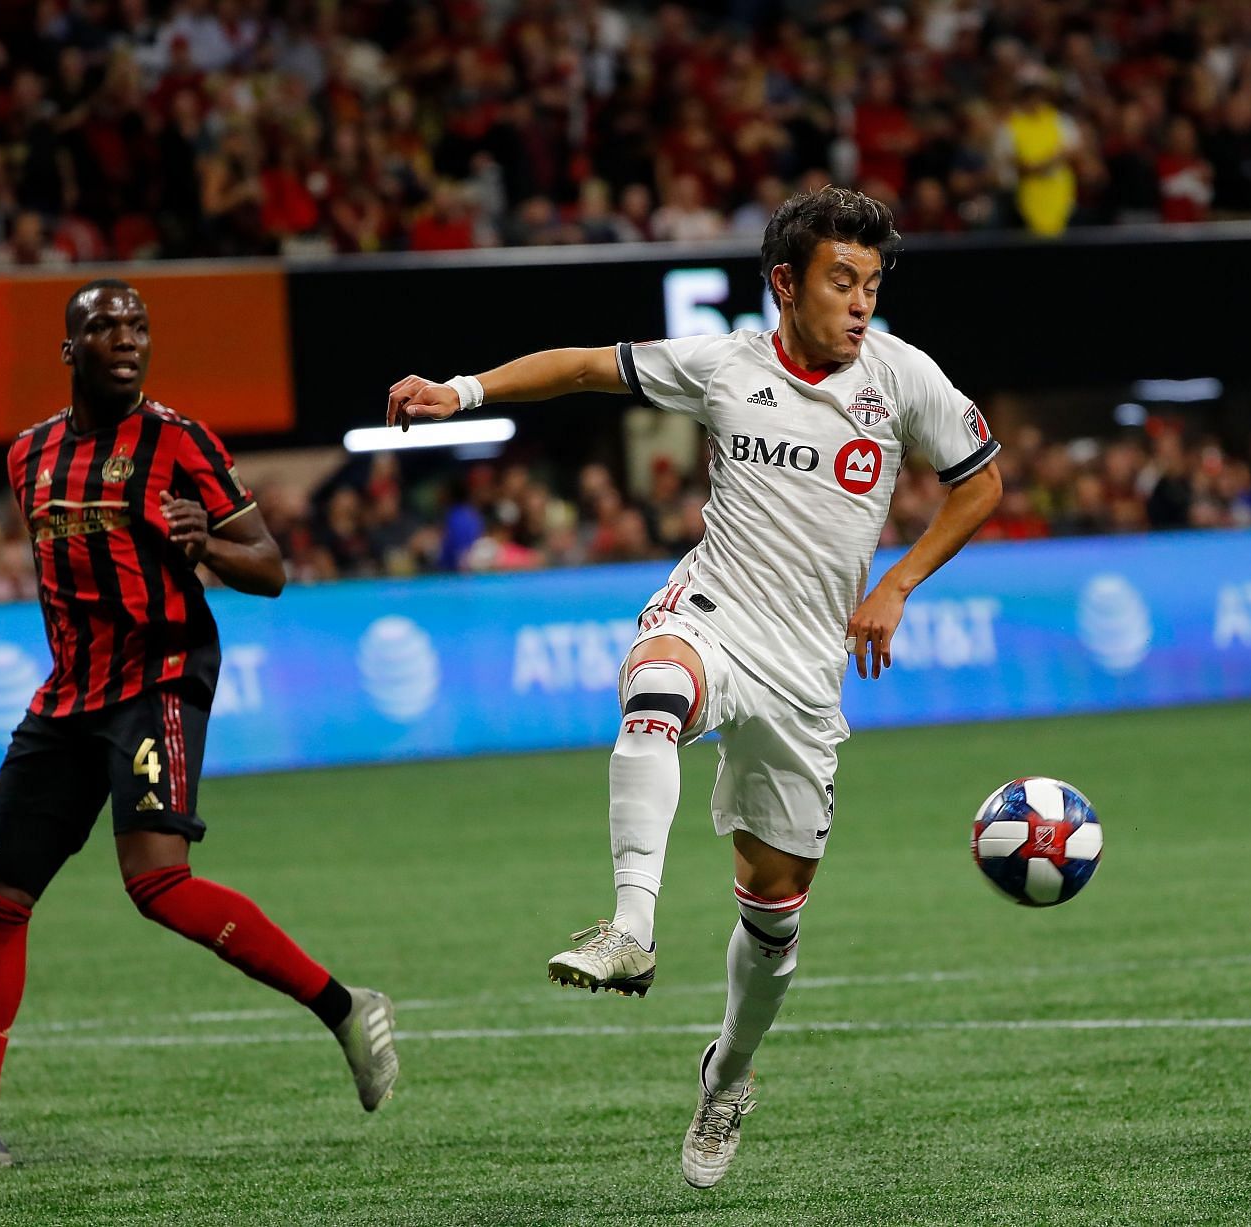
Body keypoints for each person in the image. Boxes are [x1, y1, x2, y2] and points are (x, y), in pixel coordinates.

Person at [384, 187, 1002, 1186]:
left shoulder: (905, 378)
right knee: (655, 691)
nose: (860, 302)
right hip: (716, 614)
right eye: (842, 281)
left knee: (774, 914)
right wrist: (463, 390)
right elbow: (585, 367)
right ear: (787, 284)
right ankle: (631, 925)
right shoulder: (724, 364)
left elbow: (980, 482)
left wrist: (896, 583)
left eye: (873, 284)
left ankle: (728, 1075)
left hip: (804, 676)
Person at [0, 279, 398, 1178]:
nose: (126, 337)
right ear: (69, 349)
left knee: (157, 881)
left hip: (159, 677)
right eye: (103, 325)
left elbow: (270, 570)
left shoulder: (180, 440)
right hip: (67, 695)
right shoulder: (28, 455)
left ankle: (344, 1005)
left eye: (138, 324)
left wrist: (203, 546)